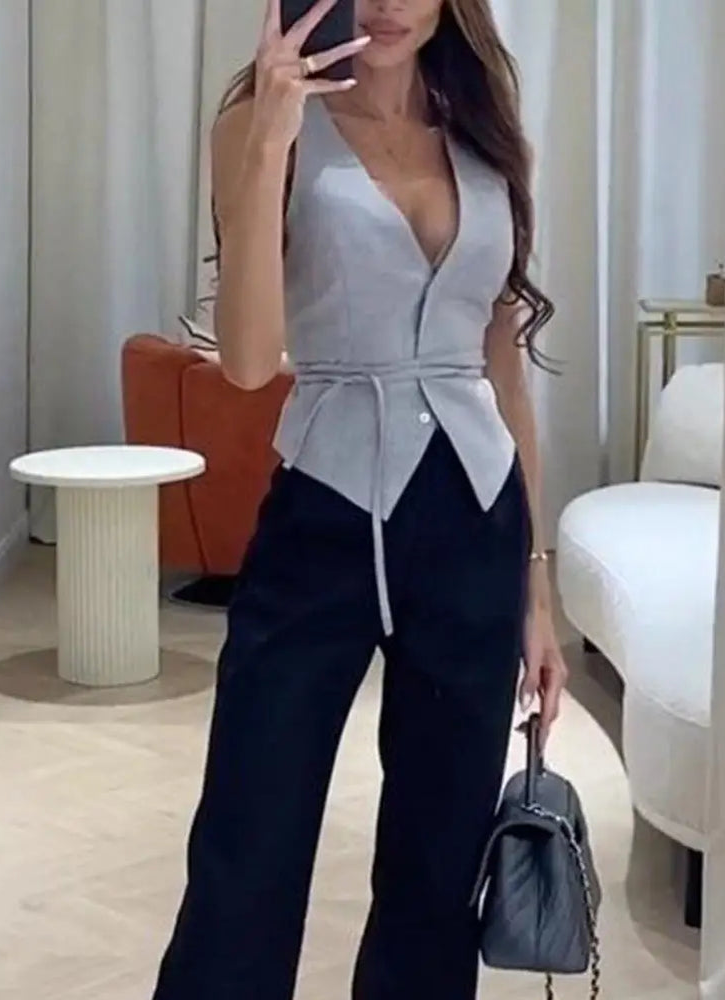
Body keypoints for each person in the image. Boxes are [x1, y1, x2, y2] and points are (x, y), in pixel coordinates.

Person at [151, 0, 568, 997]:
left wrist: (536, 591)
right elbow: (249, 362)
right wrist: (272, 140)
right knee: (250, 834)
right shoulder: (258, 123)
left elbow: (502, 367)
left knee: (440, 851)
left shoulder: (484, 127)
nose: (385, 5)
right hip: (324, 512)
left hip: (473, 516)